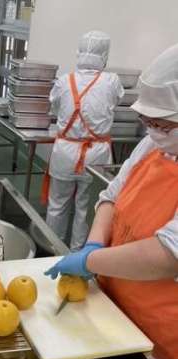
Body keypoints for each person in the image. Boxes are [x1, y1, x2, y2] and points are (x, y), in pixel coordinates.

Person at [46, 43, 178, 359]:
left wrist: (90, 261)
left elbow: (168, 255)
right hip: (113, 309)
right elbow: (111, 196)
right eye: (148, 121)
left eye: (162, 124)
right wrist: (93, 245)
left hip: (161, 342)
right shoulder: (153, 144)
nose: (152, 130)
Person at [44, 30, 124, 251]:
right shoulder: (112, 81)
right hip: (96, 155)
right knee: (86, 207)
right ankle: (79, 252)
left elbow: (55, 107)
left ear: (79, 51)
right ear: (105, 54)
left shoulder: (64, 81)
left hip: (65, 151)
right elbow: (117, 101)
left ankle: (52, 249)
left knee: (57, 204)